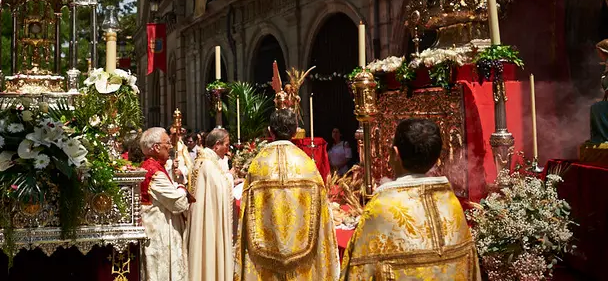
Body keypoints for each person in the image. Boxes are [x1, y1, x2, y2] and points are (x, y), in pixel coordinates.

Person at [340, 118, 481, 280]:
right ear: (436, 158)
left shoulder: (382, 207)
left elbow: (358, 271)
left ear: (395, 153)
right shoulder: (451, 203)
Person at [234, 109, 339, 281]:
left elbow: (246, 219)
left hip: (265, 261)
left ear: (270, 131)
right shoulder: (306, 165)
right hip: (302, 264)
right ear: (295, 130)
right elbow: (323, 219)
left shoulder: (259, 165)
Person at [139, 127, 194, 281]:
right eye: (167, 144)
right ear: (156, 147)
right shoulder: (153, 171)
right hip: (159, 231)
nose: (170, 147)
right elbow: (178, 203)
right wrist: (182, 187)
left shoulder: (153, 166)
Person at [187, 128, 234, 281]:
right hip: (208, 220)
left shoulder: (203, 161)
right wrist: (231, 177)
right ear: (217, 145)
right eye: (226, 145)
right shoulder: (208, 165)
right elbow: (221, 189)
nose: (228, 150)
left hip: (202, 217)